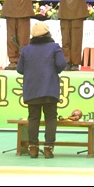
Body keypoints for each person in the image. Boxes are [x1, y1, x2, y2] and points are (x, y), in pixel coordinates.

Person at [17, 21, 67, 159]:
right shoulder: (54, 47)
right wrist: (53, 71)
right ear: (48, 33)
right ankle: (48, 149)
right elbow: (62, 64)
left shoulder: (26, 49)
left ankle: (33, 148)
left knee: (33, 118)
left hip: (32, 89)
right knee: (51, 118)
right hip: (49, 88)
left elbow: (20, 69)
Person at [54, 0, 88, 71]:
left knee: (76, 40)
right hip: (65, 13)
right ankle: (67, 62)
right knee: (65, 40)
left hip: (77, 13)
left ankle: (75, 63)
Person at [0, 0, 34, 70]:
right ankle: (13, 61)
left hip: (23, 12)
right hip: (10, 11)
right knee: (11, 38)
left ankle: (23, 61)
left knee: (23, 38)